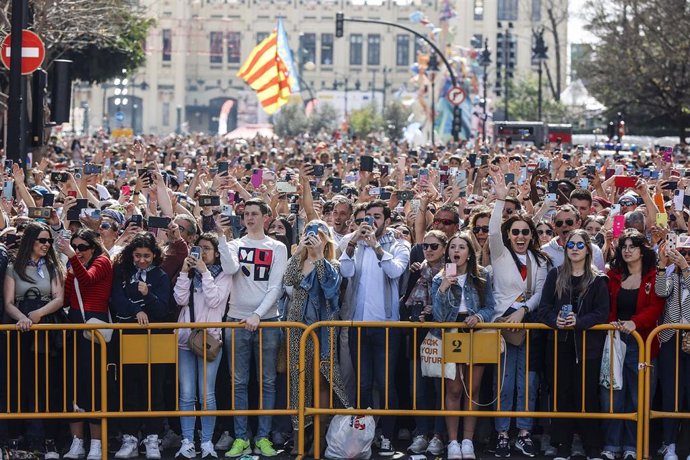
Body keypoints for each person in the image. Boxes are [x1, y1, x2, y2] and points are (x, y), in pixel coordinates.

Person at [217, 198, 288, 458]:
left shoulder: (277, 247)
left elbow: (276, 287)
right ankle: (240, 438)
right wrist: (222, 237)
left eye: (254, 213)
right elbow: (229, 268)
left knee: (267, 382)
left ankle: (263, 437)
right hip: (236, 321)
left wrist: (258, 315)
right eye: (245, 213)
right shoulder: (235, 244)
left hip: (268, 322)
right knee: (238, 382)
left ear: (265, 217)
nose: (249, 217)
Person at [339, 199, 410, 456]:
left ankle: (388, 436)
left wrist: (376, 247)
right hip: (359, 324)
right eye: (367, 217)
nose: (370, 222)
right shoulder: (354, 242)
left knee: (386, 383)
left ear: (387, 221)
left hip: (386, 327)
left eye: (377, 217)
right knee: (363, 384)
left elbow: (394, 271)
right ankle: (363, 437)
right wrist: (351, 243)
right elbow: (344, 271)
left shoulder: (400, 244)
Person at [487, 166, 549, 458]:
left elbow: (539, 293)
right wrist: (501, 201)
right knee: (504, 380)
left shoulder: (540, 259)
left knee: (528, 381)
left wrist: (524, 310)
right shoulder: (499, 254)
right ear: (508, 235)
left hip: (528, 325)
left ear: (531, 234)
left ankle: (524, 432)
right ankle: (501, 433)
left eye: (525, 231)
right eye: (515, 232)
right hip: (500, 325)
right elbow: (491, 230)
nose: (521, 235)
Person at [537, 229, 609, 459]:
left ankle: (592, 446)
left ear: (588, 249)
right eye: (571, 245)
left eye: (580, 245)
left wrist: (579, 322)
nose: (575, 249)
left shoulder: (598, 279)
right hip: (559, 344)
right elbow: (544, 308)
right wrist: (554, 320)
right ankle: (562, 444)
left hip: (588, 347)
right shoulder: (555, 275)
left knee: (587, 395)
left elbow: (602, 312)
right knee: (561, 394)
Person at [282, 220, 348, 448]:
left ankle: (320, 439)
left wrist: (319, 257)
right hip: (296, 329)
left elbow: (330, 289)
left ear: (326, 239)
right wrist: (300, 251)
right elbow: (288, 279)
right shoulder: (299, 262)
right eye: (308, 234)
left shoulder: (332, 264)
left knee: (322, 380)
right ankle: (300, 437)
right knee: (298, 383)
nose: (312, 238)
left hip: (322, 330)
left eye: (318, 235)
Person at [431, 232, 496, 460]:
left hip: (475, 331)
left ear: (469, 253)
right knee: (454, 388)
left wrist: (478, 317)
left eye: (461, 247)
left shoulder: (482, 276)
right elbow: (438, 316)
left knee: (473, 389)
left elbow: (490, 307)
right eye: (452, 247)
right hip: (450, 331)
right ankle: (452, 442)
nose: (456, 251)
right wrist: (443, 289)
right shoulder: (440, 278)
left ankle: (467, 440)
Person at [3, 222, 65, 457]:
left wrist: (39, 314)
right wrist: (23, 318)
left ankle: (47, 437)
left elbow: (58, 298)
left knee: (47, 382)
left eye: (49, 241)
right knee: (22, 381)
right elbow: (9, 301)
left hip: (47, 326)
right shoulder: (13, 267)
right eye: (42, 240)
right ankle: (24, 437)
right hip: (21, 328)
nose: (46, 245)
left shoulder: (53, 266)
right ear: (30, 241)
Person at [601, 229, 664, 460]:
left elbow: (656, 308)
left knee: (638, 397)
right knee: (613, 395)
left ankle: (632, 446)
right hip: (615, 341)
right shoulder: (613, 275)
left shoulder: (654, 276)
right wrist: (612, 324)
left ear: (642, 251)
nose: (627, 250)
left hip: (643, 344)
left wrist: (634, 323)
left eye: (632, 246)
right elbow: (606, 305)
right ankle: (611, 445)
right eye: (624, 246)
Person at [110, 232, 171, 460]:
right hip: (127, 337)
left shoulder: (161, 276)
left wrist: (149, 294)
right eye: (137, 255)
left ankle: (152, 438)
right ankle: (130, 438)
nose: (142, 260)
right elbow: (117, 299)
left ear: (154, 255)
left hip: (155, 339)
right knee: (129, 389)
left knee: (154, 389)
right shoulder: (122, 272)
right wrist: (137, 310)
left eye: (146, 256)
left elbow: (164, 308)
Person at [173, 233, 231, 459]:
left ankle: (206, 441)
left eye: (207, 249)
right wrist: (185, 272)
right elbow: (179, 299)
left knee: (207, 394)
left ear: (216, 253)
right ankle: (187, 440)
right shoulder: (189, 273)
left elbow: (215, 300)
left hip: (210, 341)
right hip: (186, 339)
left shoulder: (224, 275)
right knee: (187, 394)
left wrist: (204, 272)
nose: (202, 253)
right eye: (198, 248)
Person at [57, 229, 113, 460]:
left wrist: (71, 257)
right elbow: (68, 294)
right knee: (74, 386)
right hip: (75, 329)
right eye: (75, 247)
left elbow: (88, 278)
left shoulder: (103, 261)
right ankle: (77, 442)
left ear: (93, 246)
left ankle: (97, 445)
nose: (78, 251)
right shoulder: (73, 265)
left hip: (95, 331)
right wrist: (68, 270)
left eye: (82, 247)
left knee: (94, 387)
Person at [404, 230, 449, 456]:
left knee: (439, 388)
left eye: (434, 246)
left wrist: (433, 311)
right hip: (416, 334)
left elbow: (454, 303)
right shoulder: (416, 271)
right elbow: (405, 300)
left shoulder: (451, 271)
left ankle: (438, 435)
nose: (428, 250)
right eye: (425, 246)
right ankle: (421, 433)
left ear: (444, 248)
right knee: (418, 389)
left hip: (441, 335)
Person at [653, 238, 690, 460]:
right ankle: (670, 444)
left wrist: (686, 271)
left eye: (688, 253)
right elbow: (660, 292)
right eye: (682, 252)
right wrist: (661, 265)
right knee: (671, 394)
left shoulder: (685, 274)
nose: (684, 257)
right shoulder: (671, 275)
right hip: (670, 339)